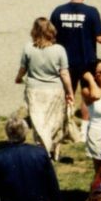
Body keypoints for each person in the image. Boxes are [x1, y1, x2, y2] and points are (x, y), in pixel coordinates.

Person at [16, 18, 72, 160]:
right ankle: (55, 150)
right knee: (55, 122)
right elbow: (64, 73)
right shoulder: (59, 50)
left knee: (39, 122)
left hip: (35, 91)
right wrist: (70, 92)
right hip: (55, 91)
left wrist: (18, 78)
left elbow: (23, 68)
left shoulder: (28, 48)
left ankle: (42, 150)